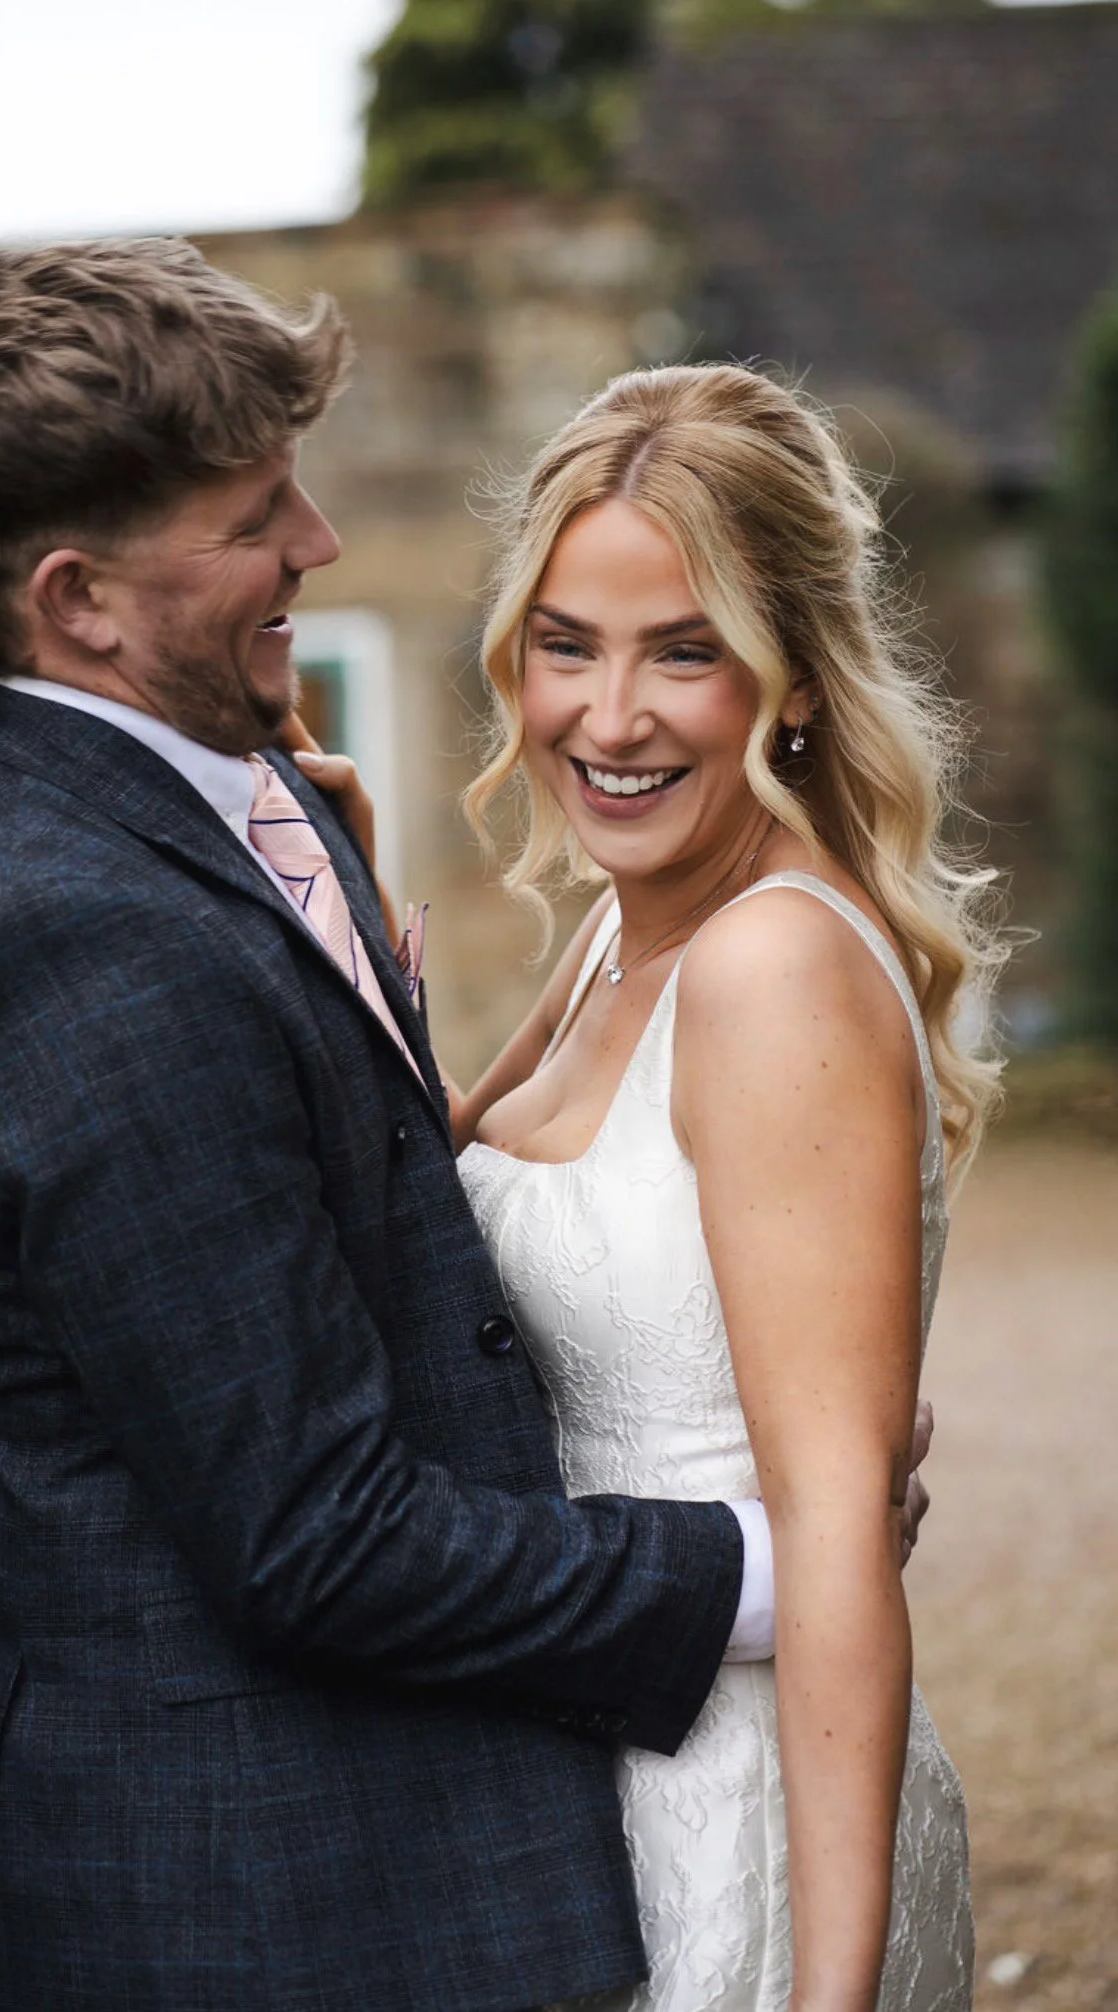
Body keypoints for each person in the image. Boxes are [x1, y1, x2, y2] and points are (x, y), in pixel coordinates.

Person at [0, 240, 930, 2012]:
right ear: (79, 602)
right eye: (252, 511)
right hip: (252, 1898)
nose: (318, 540)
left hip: (597, 1818)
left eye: (684, 649)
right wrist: (779, 1557)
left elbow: (389, 1203)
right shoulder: (82, 939)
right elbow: (313, 1536)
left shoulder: (259, 794)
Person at [448, 362, 998, 2010]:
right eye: (568, 645)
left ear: (798, 681)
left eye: (685, 652)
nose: (609, 720)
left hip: (733, 1809)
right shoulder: (630, 922)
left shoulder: (768, 966)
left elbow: (837, 1531)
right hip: (593, 1774)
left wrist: (821, 1990)